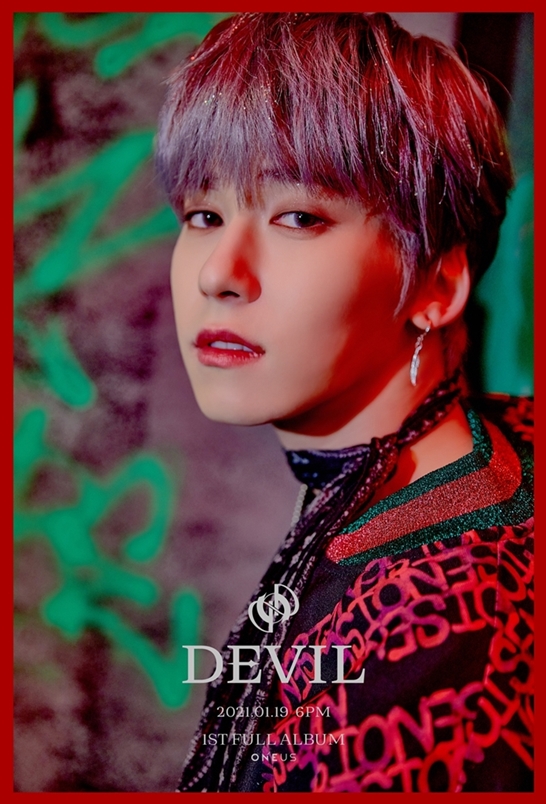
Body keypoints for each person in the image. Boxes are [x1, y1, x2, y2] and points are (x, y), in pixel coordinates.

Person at [155, 12, 533, 793]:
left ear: (436, 283)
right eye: (203, 215)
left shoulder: (432, 627)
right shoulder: (464, 463)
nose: (218, 273)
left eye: (298, 217)